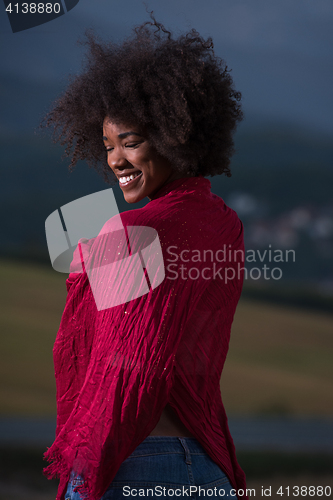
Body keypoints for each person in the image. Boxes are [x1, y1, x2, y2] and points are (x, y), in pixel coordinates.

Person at [41, 13, 247, 500]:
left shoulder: (128, 231)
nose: (114, 161)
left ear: (177, 135)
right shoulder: (227, 226)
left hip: (133, 466)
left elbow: (117, 371)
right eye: (108, 145)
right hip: (207, 465)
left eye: (131, 142)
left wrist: (87, 268)